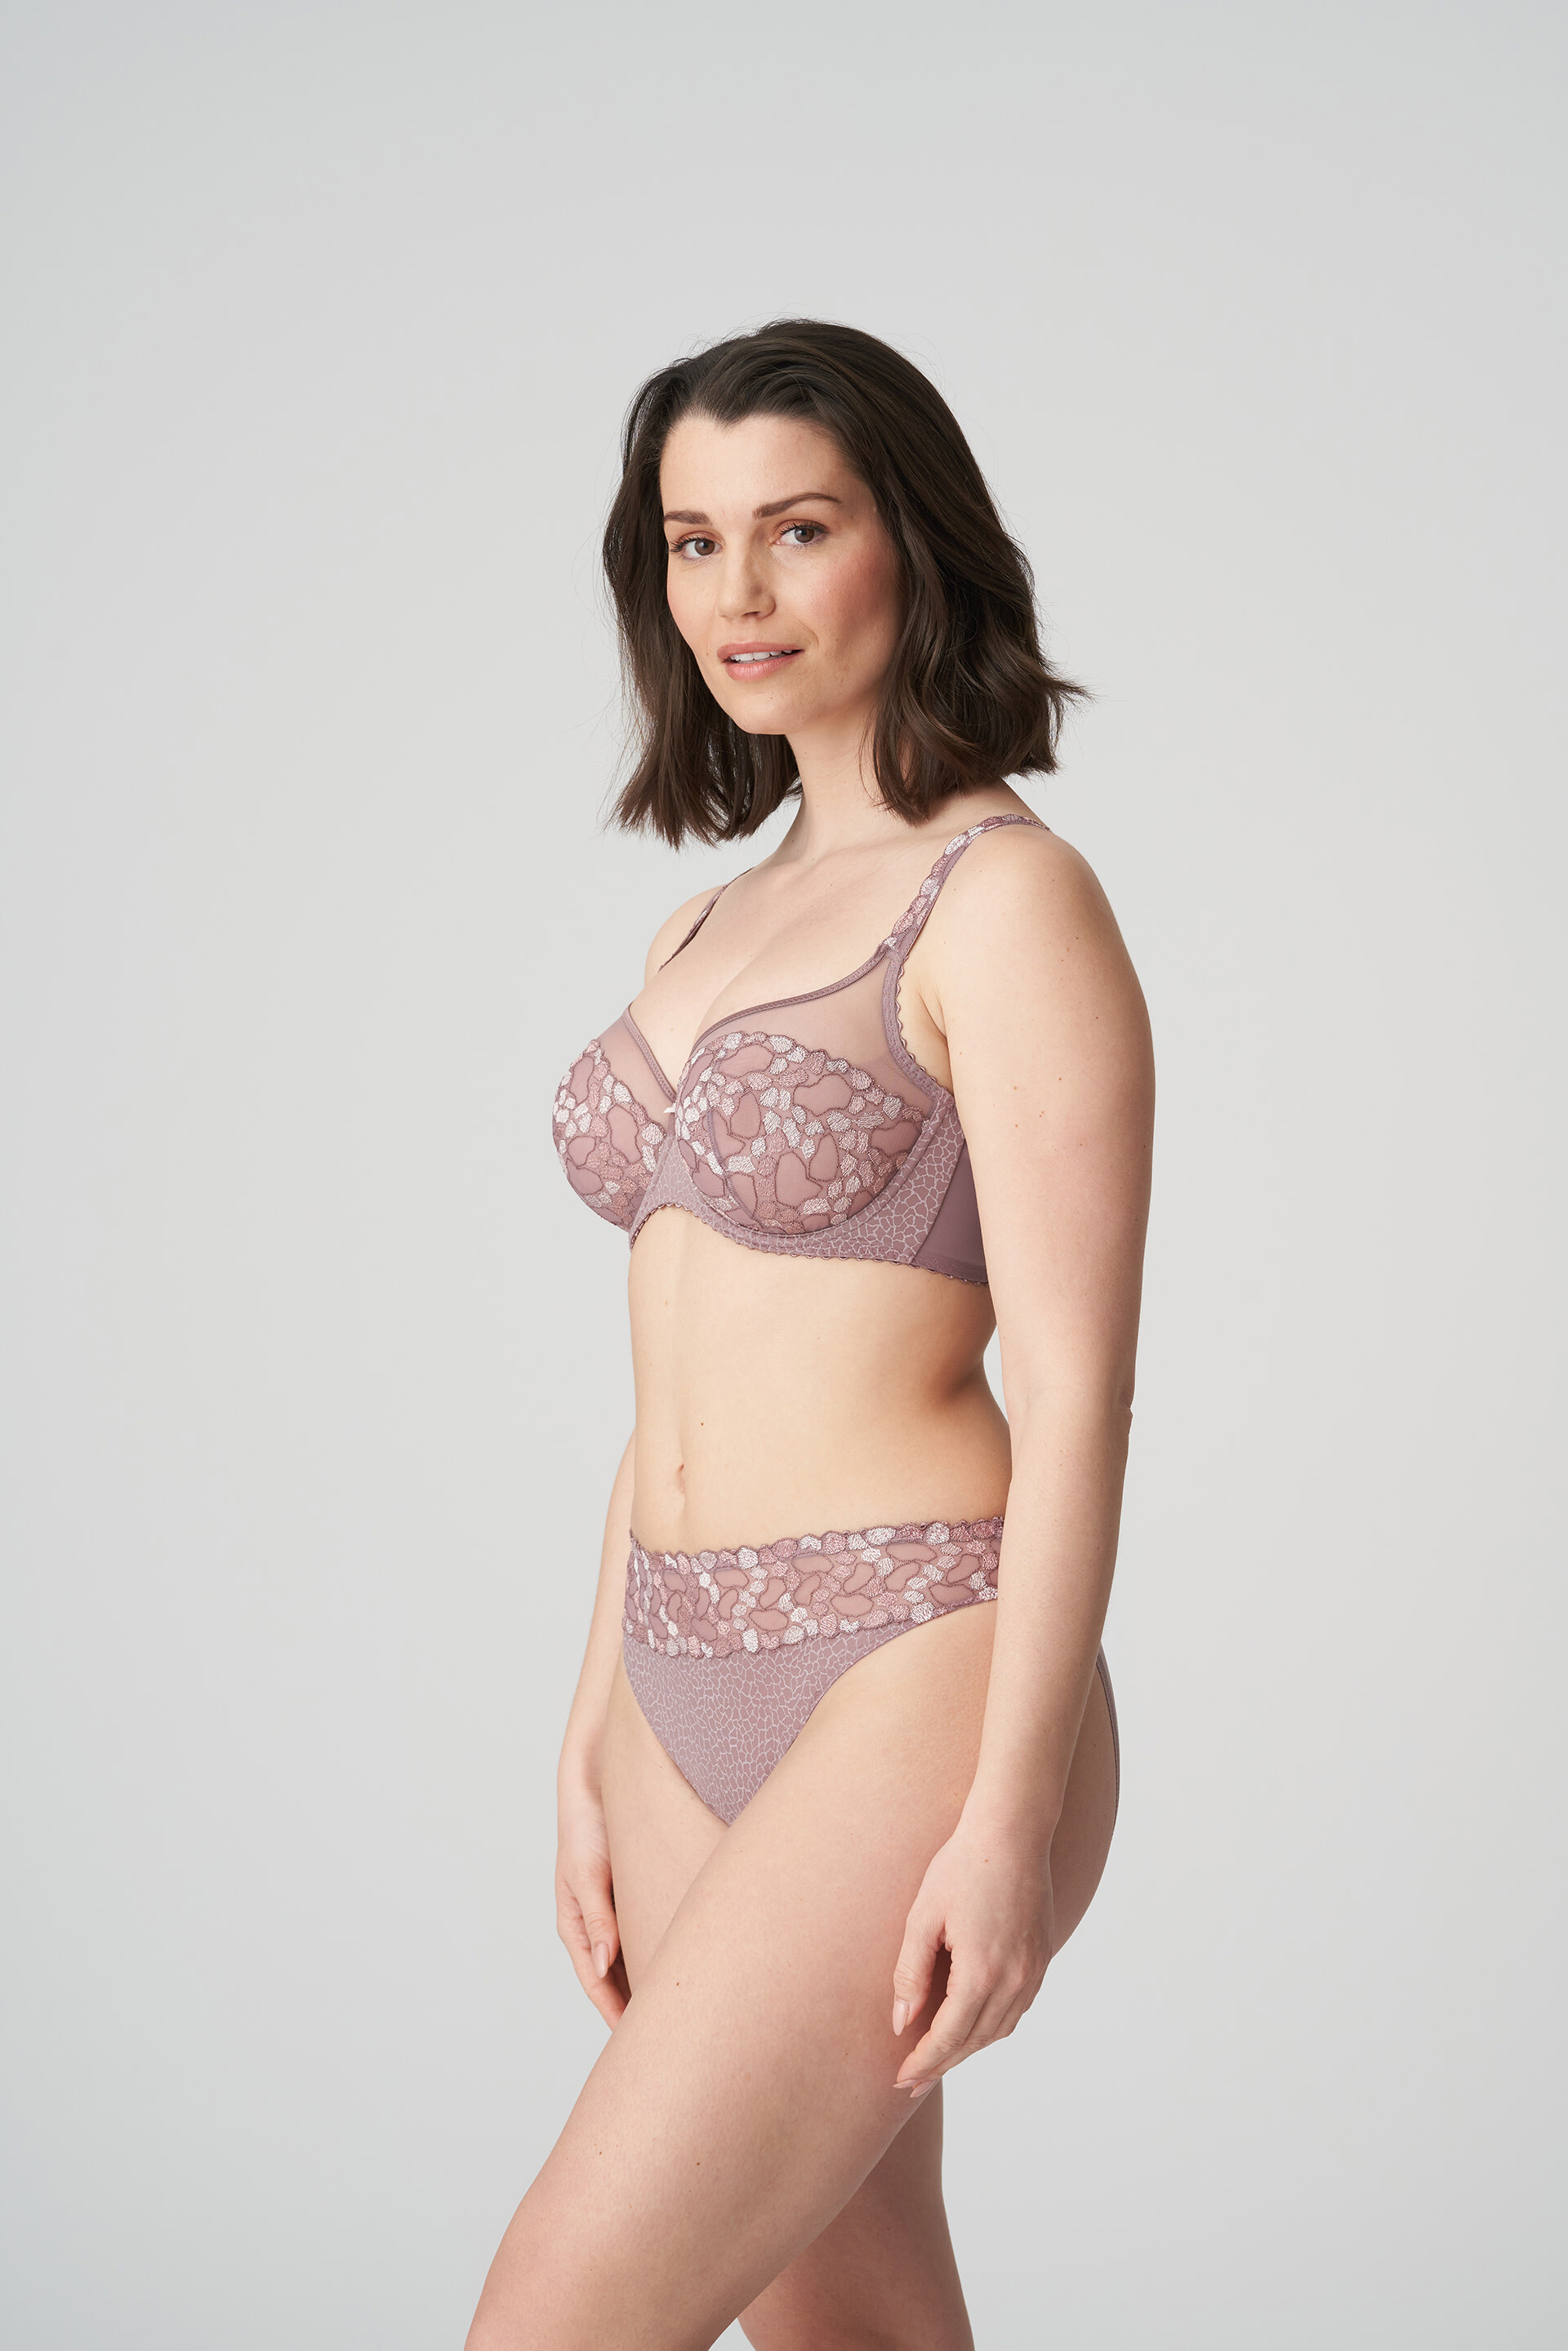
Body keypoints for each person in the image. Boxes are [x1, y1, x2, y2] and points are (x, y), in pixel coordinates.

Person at [467, 320, 1154, 2351]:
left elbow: (1083, 1392)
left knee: (555, 2318)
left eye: (796, 529)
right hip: (671, 1673)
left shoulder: (1006, 901)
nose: (736, 595)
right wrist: (587, 1732)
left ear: (909, 544)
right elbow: (668, 1381)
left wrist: (1013, 1816)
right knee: (850, 2326)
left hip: (914, 1663)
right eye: (693, 542)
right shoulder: (701, 924)